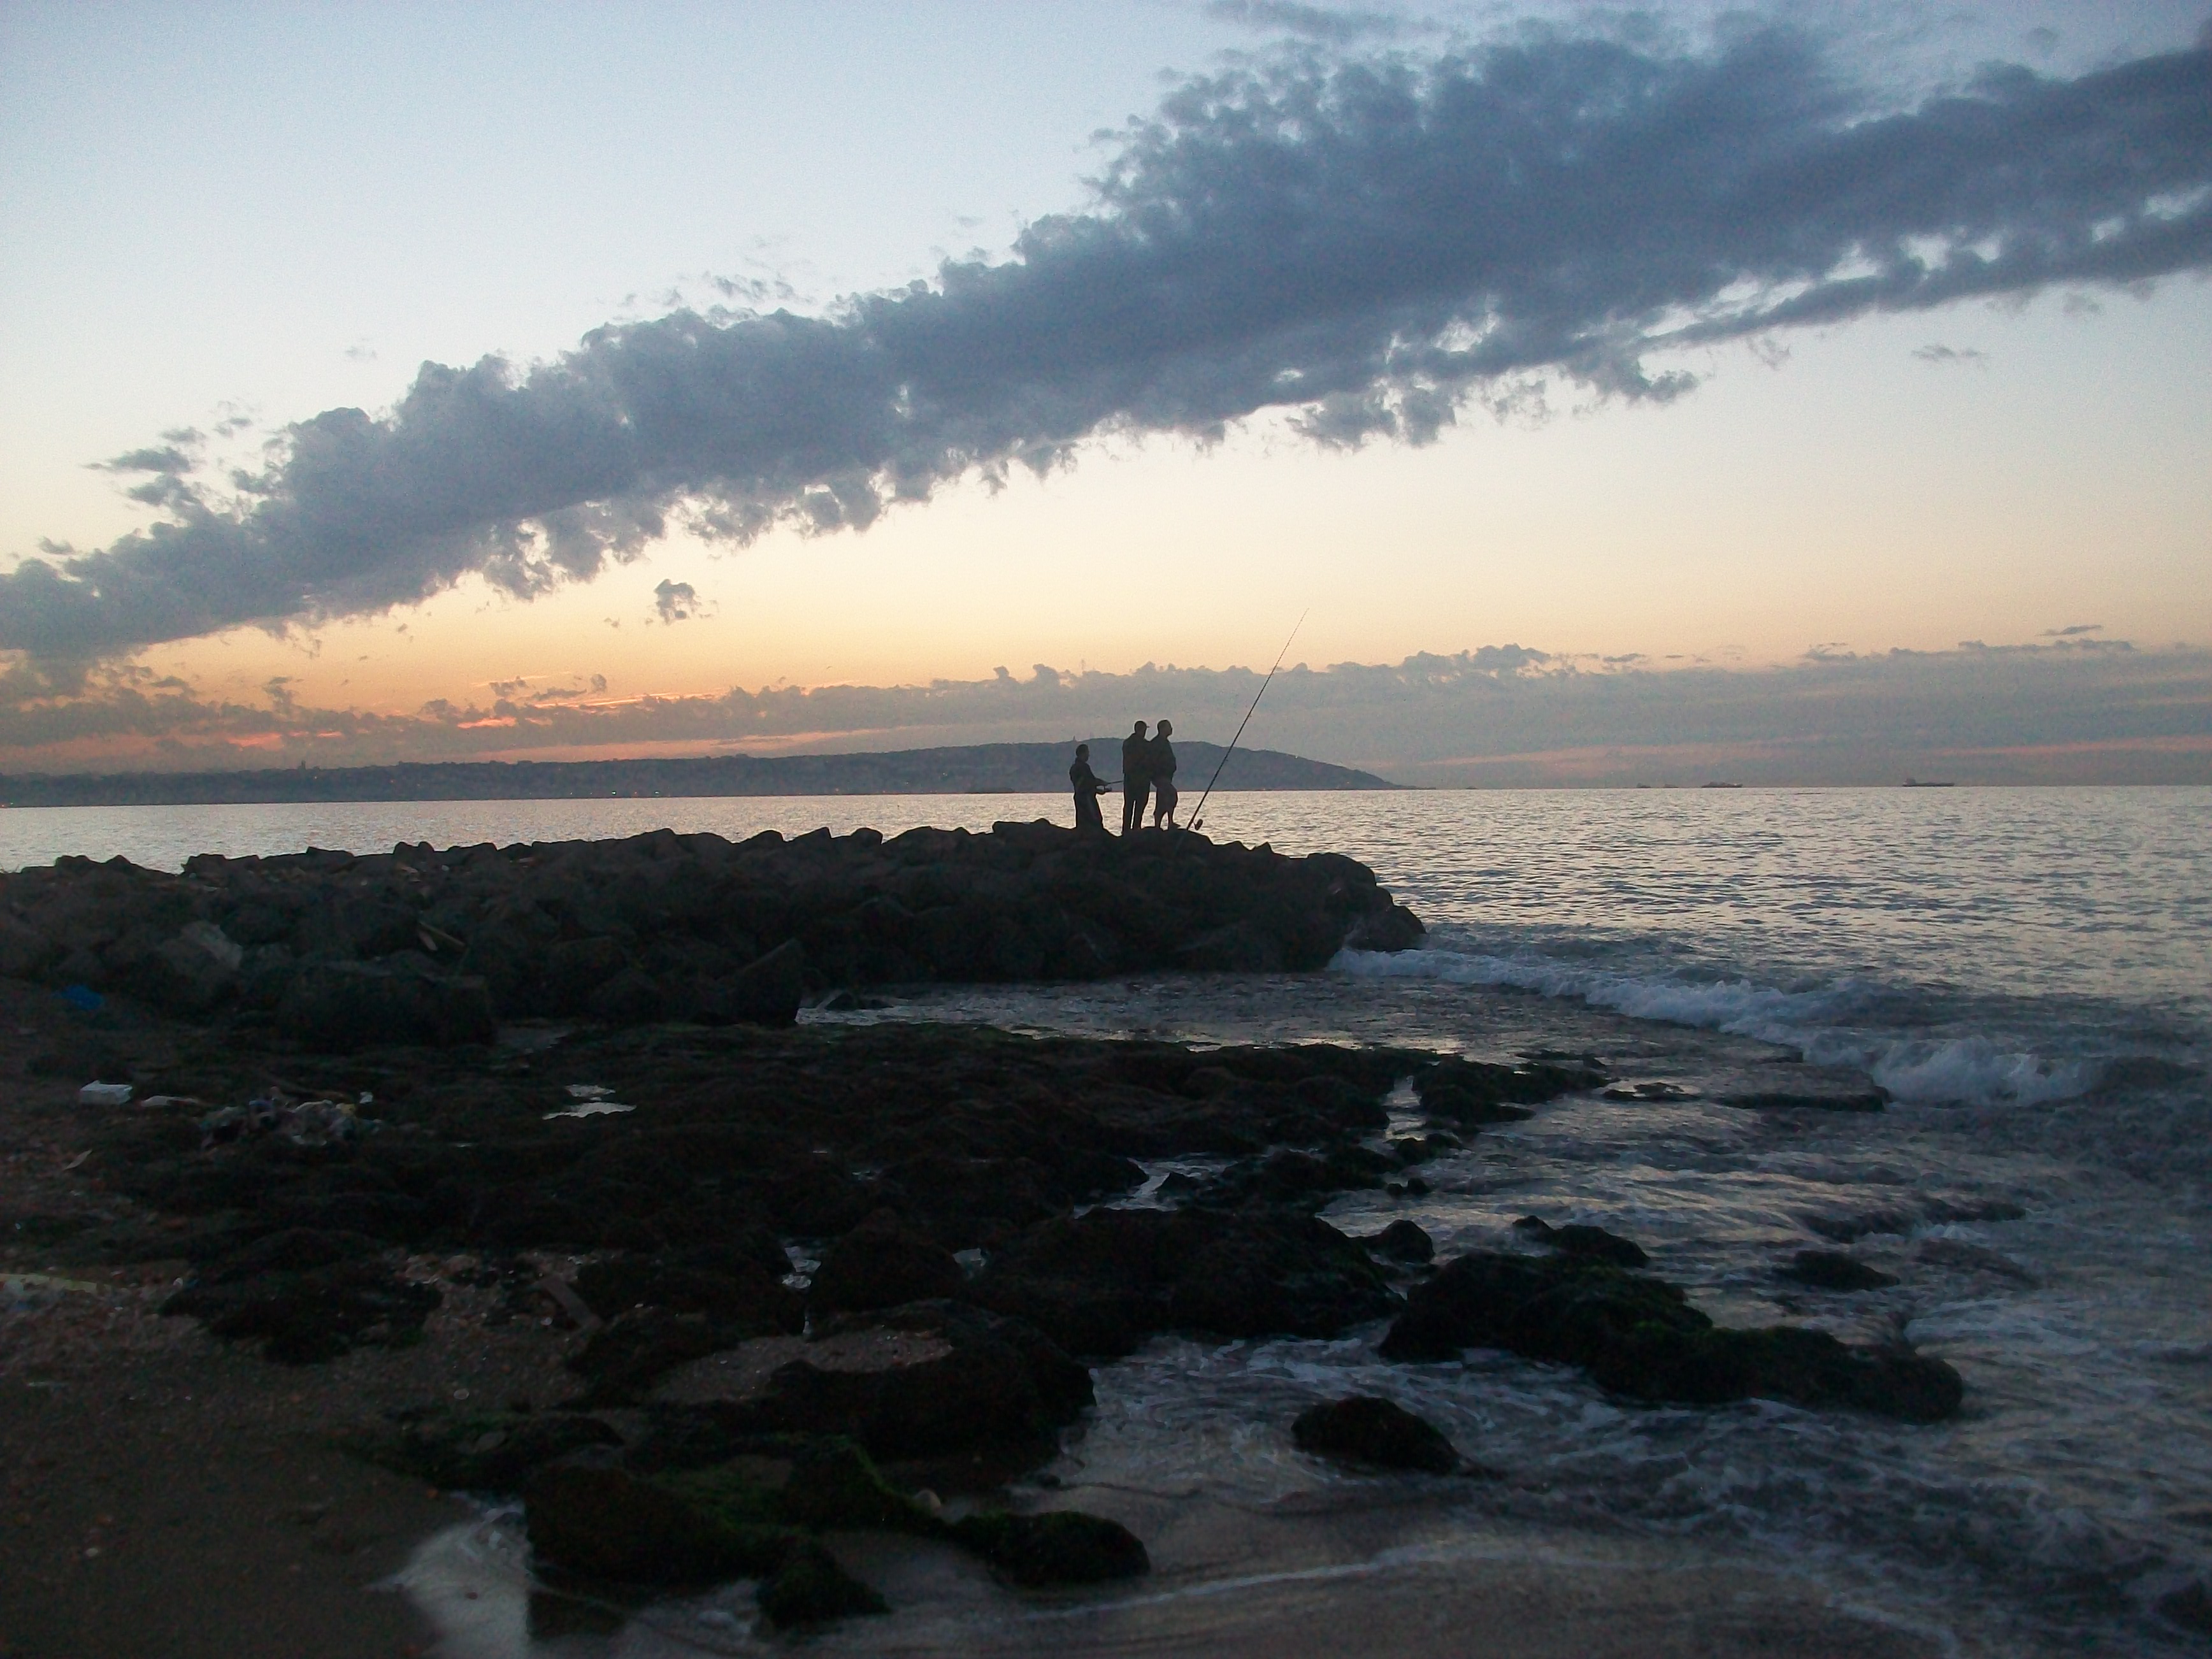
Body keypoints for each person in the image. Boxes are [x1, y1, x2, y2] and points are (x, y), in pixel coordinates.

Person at [1068, 742, 1109, 833]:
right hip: (1087, 798)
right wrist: (1101, 783)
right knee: (1096, 820)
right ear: (1083, 753)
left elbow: (1086, 785)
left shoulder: (1073, 768)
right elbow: (1090, 782)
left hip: (1079, 797)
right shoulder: (1083, 767)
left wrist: (1099, 791)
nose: (1089, 755)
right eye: (1087, 753)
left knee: (1082, 822)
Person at [1121, 720, 1151, 835]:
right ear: (1141, 730)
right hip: (1141, 780)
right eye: (1145, 730)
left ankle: (1126, 830)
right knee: (1140, 804)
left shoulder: (1127, 743)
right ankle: (1136, 828)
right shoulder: (1145, 745)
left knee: (1128, 805)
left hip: (1129, 779)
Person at [1149, 719, 1179, 829]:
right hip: (1160, 777)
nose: (1171, 729)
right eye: (1169, 726)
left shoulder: (1164, 742)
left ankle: (1161, 824)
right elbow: (1153, 760)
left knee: (1162, 800)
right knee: (1172, 795)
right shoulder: (1157, 743)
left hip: (1166, 777)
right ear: (1162, 729)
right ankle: (1169, 823)